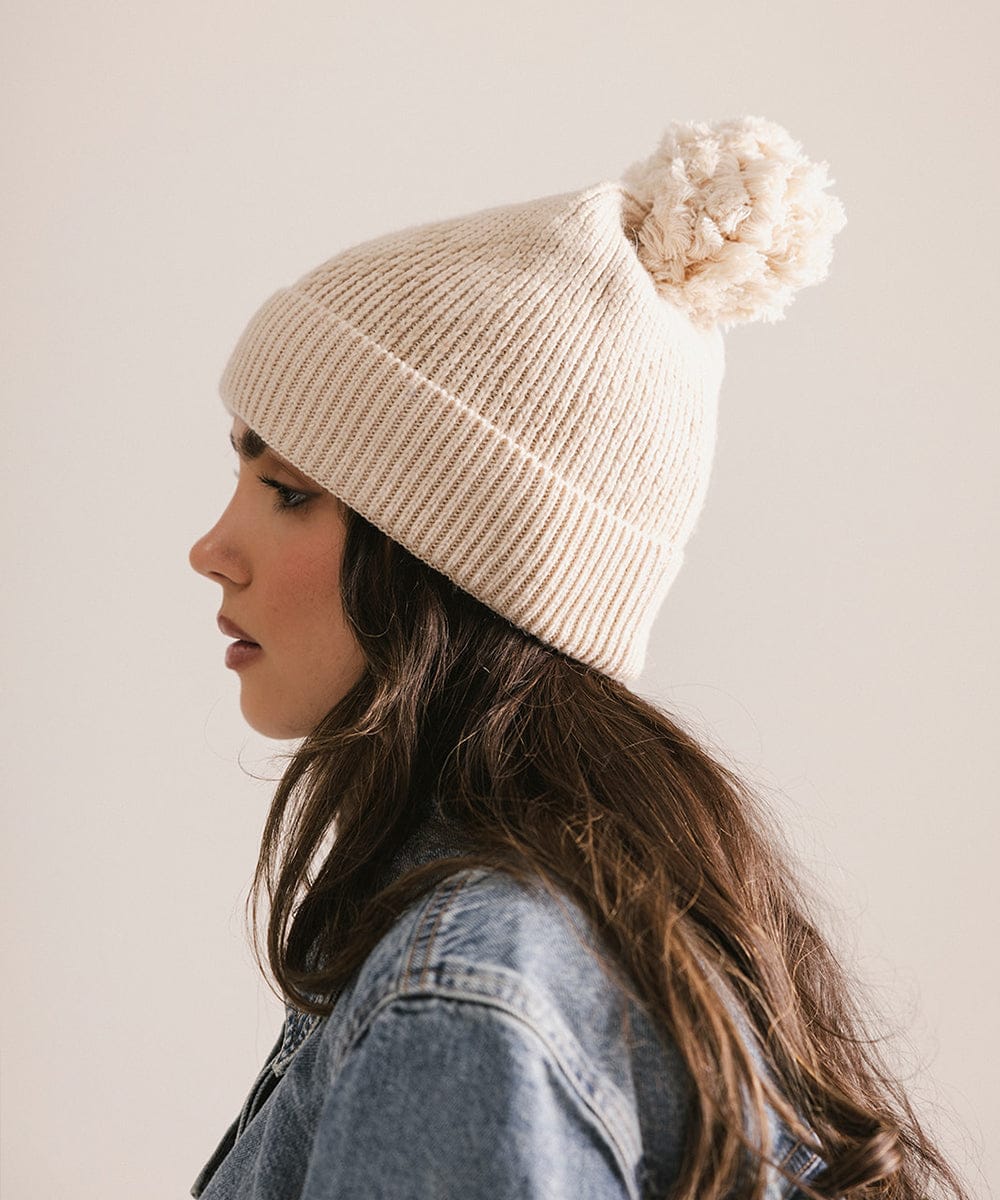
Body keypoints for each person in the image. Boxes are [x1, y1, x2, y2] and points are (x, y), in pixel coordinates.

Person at [187, 115, 967, 1199]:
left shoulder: (464, 998)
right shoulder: (561, 933)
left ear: (448, 561)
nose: (211, 550)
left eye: (287, 492)